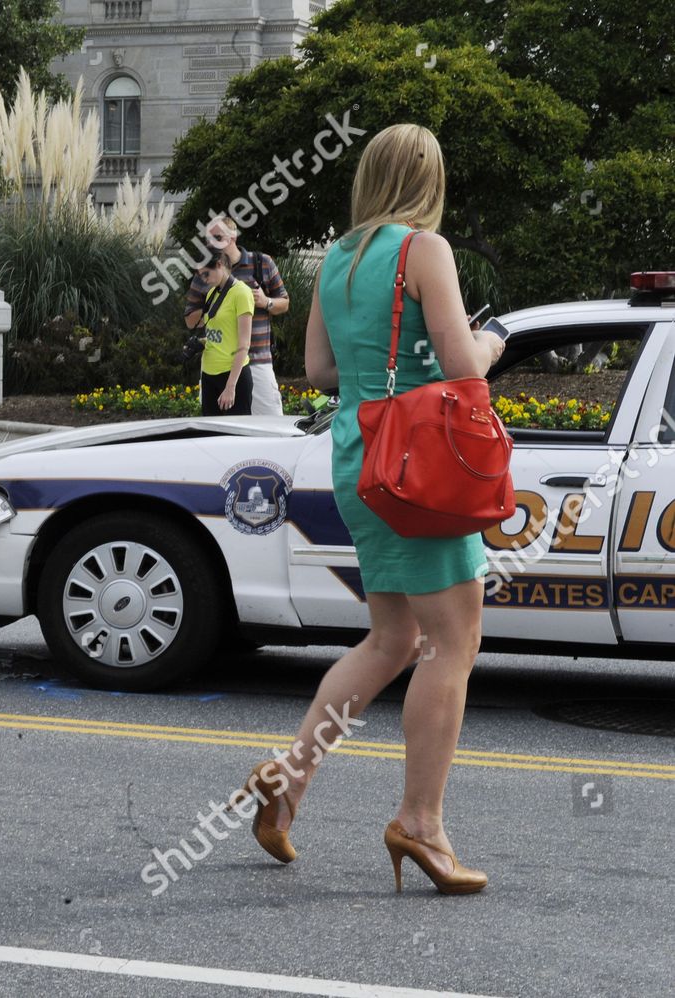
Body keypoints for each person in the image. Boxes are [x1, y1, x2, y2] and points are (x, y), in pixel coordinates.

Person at [225, 124, 506, 894]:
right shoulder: (425, 251)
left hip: (360, 459)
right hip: (423, 465)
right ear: (430, 178)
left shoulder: (340, 259)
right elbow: (459, 366)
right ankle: (420, 824)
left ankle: (292, 776)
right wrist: (491, 343)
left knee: (390, 636)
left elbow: (317, 368)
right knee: (453, 643)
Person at [184, 216, 290, 415]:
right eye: (207, 240)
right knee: (217, 432)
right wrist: (218, 303)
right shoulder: (206, 273)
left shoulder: (262, 262)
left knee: (270, 427)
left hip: (257, 360)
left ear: (232, 238)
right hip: (217, 363)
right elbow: (190, 319)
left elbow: (284, 303)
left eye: (216, 237)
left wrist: (265, 302)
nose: (210, 244)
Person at [193, 251, 254, 416]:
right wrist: (200, 343)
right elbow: (220, 334)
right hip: (208, 373)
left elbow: (244, 344)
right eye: (201, 276)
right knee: (210, 438)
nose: (204, 280)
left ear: (219, 264)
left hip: (232, 376)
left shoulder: (242, 293)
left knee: (236, 438)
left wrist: (230, 387)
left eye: (206, 274)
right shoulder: (212, 294)